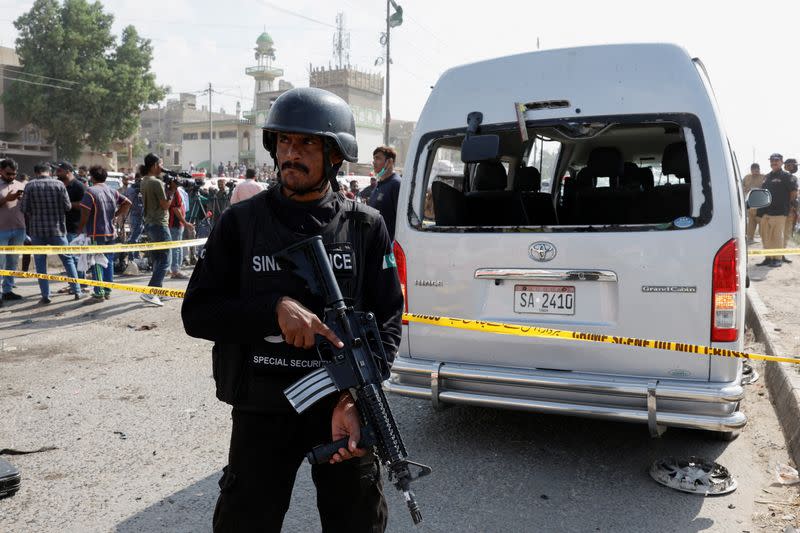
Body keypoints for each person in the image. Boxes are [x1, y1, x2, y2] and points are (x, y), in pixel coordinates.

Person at [181, 87, 403, 533]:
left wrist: (356, 398)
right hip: (262, 407)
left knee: (357, 522)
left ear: (335, 154)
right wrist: (273, 310)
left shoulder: (364, 226)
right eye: (284, 141)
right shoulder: (241, 223)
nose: (290, 154)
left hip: (340, 407)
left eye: (306, 144)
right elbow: (197, 312)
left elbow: (388, 321)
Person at [19, 160, 82, 303]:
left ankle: (45, 296)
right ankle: (77, 291)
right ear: (49, 171)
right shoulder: (59, 185)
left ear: (36, 173)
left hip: (37, 231)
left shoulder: (30, 186)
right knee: (68, 260)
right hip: (58, 230)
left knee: (41, 264)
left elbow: (23, 209)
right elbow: (67, 207)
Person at [77, 165, 131, 301]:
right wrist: (115, 215)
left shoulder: (90, 192)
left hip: (96, 233)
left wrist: (80, 228)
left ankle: (99, 292)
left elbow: (85, 213)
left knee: (96, 262)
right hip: (110, 233)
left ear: (92, 177)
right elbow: (127, 203)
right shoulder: (113, 191)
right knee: (108, 262)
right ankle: (107, 290)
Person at [140, 153, 172, 306]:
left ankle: (156, 292)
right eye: (160, 164)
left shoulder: (144, 181)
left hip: (150, 224)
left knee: (158, 260)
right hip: (159, 224)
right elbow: (165, 205)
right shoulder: (156, 183)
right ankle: (151, 292)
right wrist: (172, 191)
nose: (162, 168)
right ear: (153, 166)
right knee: (166, 260)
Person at [757, 153, 798, 267]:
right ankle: (768, 258)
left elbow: (793, 192)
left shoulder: (786, 176)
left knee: (776, 236)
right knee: (765, 236)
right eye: (772, 160)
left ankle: (778, 259)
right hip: (766, 211)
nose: (773, 162)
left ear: (781, 162)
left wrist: (788, 205)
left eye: (776, 160)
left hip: (780, 211)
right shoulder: (767, 176)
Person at [56, 161, 88, 291]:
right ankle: (76, 283)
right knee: (69, 257)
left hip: (75, 227)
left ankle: (79, 284)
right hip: (62, 227)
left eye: (59, 170)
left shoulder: (79, 186)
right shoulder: (60, 185)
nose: (57, 173)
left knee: (74, 257)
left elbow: (85, 205)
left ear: (68, 171)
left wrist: (67, 204)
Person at [0, 158, 26, 304]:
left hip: (18, 229)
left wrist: (23, 199)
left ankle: (7, 290)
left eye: (14, 174)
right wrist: (6, 199)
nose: (11, 177)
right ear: (1, 171)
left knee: (12, 262)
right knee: (0, 263)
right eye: (9, 174)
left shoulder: (20, 185)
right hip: (1, 230)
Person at [368, 146, 402, 241]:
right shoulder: (379, 185)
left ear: (389, 162)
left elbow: (400, 219)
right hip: (376, 243)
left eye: (378, 158)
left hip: (388, 245)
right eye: (374, 159)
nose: (374, 162)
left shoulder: (396, 184)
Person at [166, 177, 193, 279]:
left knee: (176, 246)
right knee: (176, 247)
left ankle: (174, 269)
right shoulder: (174, 192)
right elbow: (175, 209)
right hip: (175, 224)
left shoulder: (174, 191)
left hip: (176, 224)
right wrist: (185, 222)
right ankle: (175, 270)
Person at [742, 163, 765, 245]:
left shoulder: (764, 177)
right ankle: (750, 238)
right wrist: (747, 189)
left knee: (762, 222)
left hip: (760, 204)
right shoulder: (747, 177)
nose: (756, 171)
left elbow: (768, 187)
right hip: (750, 204)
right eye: (754, 169)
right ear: (751, 170)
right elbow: (741, 186)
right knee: (751, 222)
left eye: (757, 169)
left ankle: (764, 239)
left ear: (759, 169)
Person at [783, 158, 799, 248]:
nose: (793, 167)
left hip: (791, 208)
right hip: (785, 207)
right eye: (790, 165)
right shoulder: (786, 176)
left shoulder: (794, 178)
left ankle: (782, 253)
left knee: (787, 232)